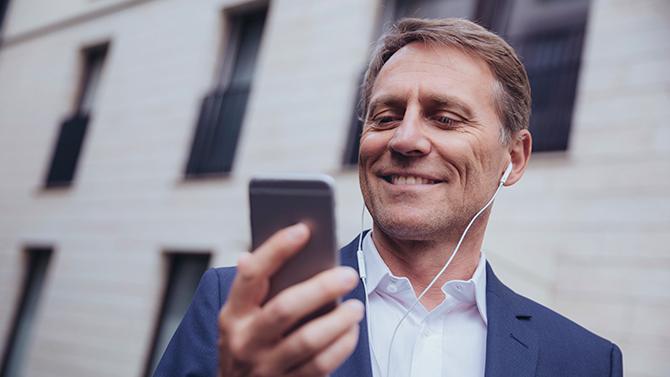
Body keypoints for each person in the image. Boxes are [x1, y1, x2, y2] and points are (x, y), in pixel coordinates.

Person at [154, 18, 623, 377]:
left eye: (445, 118)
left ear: (514, 158)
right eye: (385, 116)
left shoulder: (584, 360)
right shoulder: (236, 305)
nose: (405, 140)